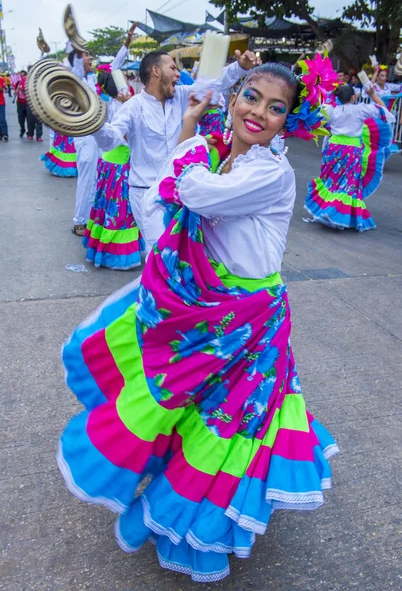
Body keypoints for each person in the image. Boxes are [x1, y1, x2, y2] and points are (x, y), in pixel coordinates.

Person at [58, 59, 339, 582]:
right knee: (191, 411)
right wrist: (190, 141)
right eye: (251, 97)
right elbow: (153, 208)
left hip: (252, 322)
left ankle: (211, 522)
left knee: (234, 425)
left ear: (287, 121)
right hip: (205, 315)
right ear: (231, 99)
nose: (259, 112)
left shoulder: (269, 172)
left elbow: (191, 194)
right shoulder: (212, 154)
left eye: (276, 108)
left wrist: (187, 154)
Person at [93, 49, 258, 237]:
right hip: (146, 194)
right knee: (158, 252)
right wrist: (93, 125)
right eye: (172, 67)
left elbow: (213, 84)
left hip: (179, 191)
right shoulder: (133, 106)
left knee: (179, 254)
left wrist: (240, 67)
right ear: (156, 71)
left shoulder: (181, 96)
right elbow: (110, 140)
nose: (178, 73)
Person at [69, 24, 136, 236]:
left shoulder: (96, 80)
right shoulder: (77, 79)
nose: (91, 59)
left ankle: (91, 218)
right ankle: (79, 221)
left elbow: (115, 66)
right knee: (87, 178)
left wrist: (126, 43)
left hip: (101, 137)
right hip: (85, 137)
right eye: (86, 56)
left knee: (97, 180)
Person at [305, 84, 395, 231]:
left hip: (333, 150)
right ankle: (333, 214)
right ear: (353, 97)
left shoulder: (330, 109)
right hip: (351, 152)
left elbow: (313, 117)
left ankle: (326, 210)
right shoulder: (360, 109)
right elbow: (384, 111)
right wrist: (372, 94)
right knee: (346, 185)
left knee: (330, 182)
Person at [82, 71, 143, 269]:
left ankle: (102, 247)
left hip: (109, 162)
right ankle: (114, 252)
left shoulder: (112, 105)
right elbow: (126, 137)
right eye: (124, 83)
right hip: (119, 165)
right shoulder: (123, 109)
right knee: (119, 210)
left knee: (106, 207)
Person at [15, 70, 28, 138]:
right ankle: (22, 130)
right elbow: (15, 92)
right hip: (20, 103)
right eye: (21, 76)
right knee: (21, 119)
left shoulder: (28, 83)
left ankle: (30, 132)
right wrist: (17, 91)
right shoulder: (18, 82)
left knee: (29, 119)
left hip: (27, 103)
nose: (22, 77)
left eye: (23, 76)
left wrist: (22, 89)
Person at [0, 74, 9, 141]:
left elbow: (1, 88)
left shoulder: (1, 79)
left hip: (1, 102)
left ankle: (5, 134)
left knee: (2, 119)